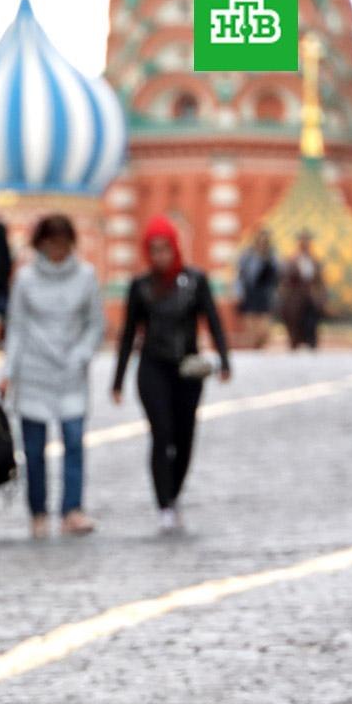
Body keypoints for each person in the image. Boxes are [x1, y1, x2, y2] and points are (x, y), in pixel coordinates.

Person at [112, 216, 231, 533]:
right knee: (161, 432)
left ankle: (174, 492)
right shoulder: (141, 287)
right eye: (154, 250)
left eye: (165, 249)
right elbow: (128, 334)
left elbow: (213, 321)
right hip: (153, 366)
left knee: (185, 435)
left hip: (187, 369)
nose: (160, 256)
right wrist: (118, 380)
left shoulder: (195, 281)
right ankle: (163, 503)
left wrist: (224, 360)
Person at [0, 215, 103, 539]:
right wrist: (8, 372)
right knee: (34, 449)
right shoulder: (26, 279)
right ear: (40, 244)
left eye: (62, 243)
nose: (57, 250)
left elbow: (95, 324)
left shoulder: (86, 277)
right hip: (34, 370)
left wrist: (82, 354)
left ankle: (72, 508)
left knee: (73, 440)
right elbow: (16, 328)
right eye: (51, 243)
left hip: (71, 370)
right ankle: (38, 511)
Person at [278, 229, 327, 350]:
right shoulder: (292, 260)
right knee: (295, 327)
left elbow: (319, 281)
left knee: (311, 326)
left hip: (310, 299)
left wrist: (321, 297)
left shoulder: (314, 261)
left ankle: (311, 345)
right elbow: (285, 280)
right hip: (295, 300)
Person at [235, 229, 279, 342]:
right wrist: (239, 292)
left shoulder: (272, 255)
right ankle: (255, 348)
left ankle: (262, 347)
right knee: (251, 327)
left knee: (264, 329)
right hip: (251, 292)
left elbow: (277, 275)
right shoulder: (248, 255)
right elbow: (241, 275)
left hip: (265, 294)